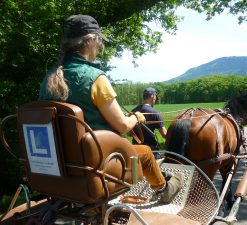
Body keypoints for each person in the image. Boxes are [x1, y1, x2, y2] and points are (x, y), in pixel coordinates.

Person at [39, 15, 183, 203]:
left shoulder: (48, 79)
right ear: (89, 40)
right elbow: (123, 125)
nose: (99, 46)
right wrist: (137, 117)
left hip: (59, 163)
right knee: (146, 152)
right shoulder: (95, 78)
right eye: (98, 41)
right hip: (95, 162)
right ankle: (164, 190)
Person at [132, 87, 167, 152]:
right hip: (150, 150)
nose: (155, 100)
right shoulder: (155, 113)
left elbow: (129, 133)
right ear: (152, 96)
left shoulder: (133, 111)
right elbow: (164, 134)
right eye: (155, 97)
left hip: (135, 148)